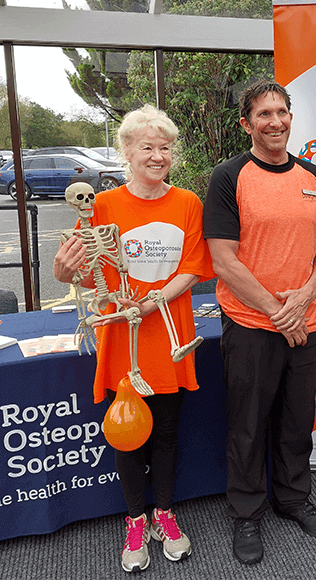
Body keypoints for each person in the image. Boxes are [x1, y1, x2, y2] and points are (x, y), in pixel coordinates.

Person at [53, 104, 214, 573]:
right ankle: (135, 520)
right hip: (122, 340)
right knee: (126, 435)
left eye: (165, 147)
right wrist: (66, 273)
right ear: (126, 152)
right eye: (147, 146)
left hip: (166, 334)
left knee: (165, 432)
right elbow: (87, 275)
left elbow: (190, 269)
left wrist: (151, 302)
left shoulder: (188, 203)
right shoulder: (100, 207)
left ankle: (164, 512)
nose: (158, 155)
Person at [203, 80, 316, 565]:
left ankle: (293, 498)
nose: (275, 121)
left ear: (291, 117)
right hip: (251, 324)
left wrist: (303, 298)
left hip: (307, 322)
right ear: (246, 124)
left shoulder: (315, 177)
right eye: (263, 114)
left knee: (297, 419)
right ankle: (246, 512)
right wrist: (280, 313)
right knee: (247, 423)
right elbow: (224, 260)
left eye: (281, 112)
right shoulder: (228, 176)